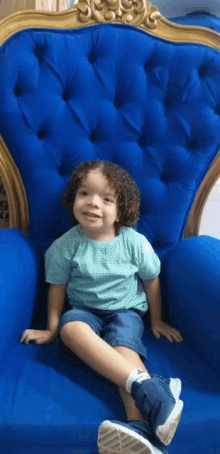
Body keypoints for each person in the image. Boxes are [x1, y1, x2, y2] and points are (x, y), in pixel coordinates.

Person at [20, 159, 184, 454]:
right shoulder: (66, 245)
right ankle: (153, 389)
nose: (93, 204)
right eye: (84, 194)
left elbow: (152, 281)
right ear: (73, 198)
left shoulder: (134, 243)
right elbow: (57, 288)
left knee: (123, 348)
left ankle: (139, 426)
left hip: (126, 311)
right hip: (85, 312)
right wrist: (51, 328)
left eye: (106, 199)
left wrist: (157, 320)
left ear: (122, 209)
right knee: (71, 327)